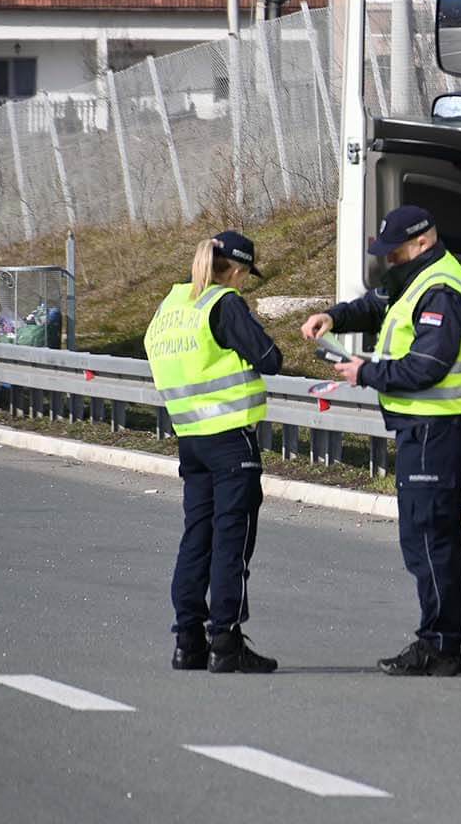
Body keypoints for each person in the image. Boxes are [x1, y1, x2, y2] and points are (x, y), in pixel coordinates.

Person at [301, 205, 461, 677]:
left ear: (422, 242)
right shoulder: (415, 275)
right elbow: (378, 303)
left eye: (395, 250)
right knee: (423, 536)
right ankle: (438, 640)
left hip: (437, 430)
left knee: (430, 537)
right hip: (422, 429)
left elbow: (427, 366)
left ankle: (441, 645)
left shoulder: (442, 288)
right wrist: (333, 318)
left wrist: (366, 373)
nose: (390, 259)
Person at [145, 230, 282, 674]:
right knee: (232, 539)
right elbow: (269, 357)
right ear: (237, 271)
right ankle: (226, 641)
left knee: (196, 537)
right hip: (230, 438)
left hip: (191, 438)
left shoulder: (173, 305)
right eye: (245, 275)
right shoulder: (223, 303)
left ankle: (188, 641)